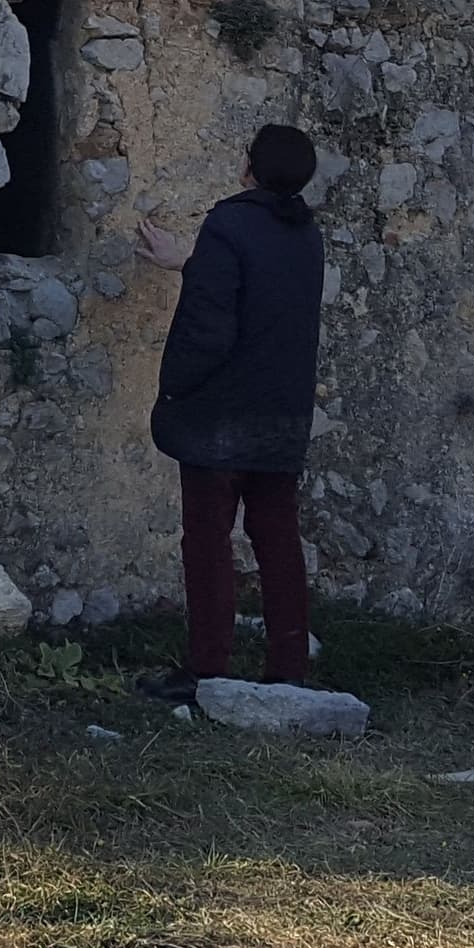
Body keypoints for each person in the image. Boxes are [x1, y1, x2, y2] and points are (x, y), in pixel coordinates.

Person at [130, 122, 327, 701]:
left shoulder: (228, 224)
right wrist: (189, 261)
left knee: (208, 542)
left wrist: (176, 391)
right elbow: (263, 290)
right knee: (279, 542)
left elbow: (209, 327)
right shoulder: (306, 235)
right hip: (282, 414)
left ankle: (207, 668)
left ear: (250, 169)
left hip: (221, 416)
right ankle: (289, 666)